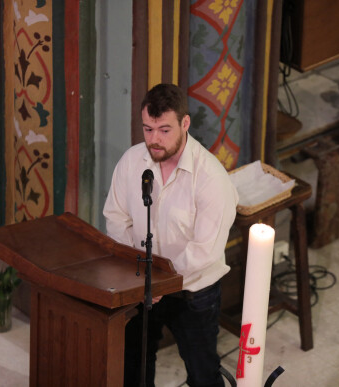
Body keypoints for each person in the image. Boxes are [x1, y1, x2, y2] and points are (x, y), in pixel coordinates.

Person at [103, 83, 239, 386]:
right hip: (140, 284)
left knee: (203, 374)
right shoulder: (132, 162)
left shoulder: (211, 179)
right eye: (148, 129)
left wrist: (160, 281)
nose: (154, 140)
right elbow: (115, 217)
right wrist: (139, 274)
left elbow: (205, 250)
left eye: (164, 130)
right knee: (134, 368)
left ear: (185, 123)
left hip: (193, 292)